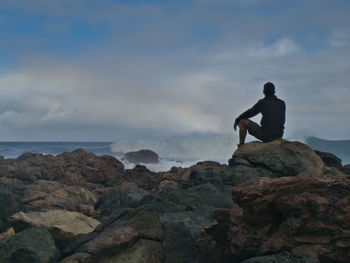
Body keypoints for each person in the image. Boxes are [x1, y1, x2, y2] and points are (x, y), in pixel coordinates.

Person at [233, 82, 285, 147]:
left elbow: (250, 113)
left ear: (263, 92)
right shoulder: (282, 103)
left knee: (243, 122)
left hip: (266, 136)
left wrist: (237, 120)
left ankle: (241, 145)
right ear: (274, 91)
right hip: (279, 136)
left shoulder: (262, 102)